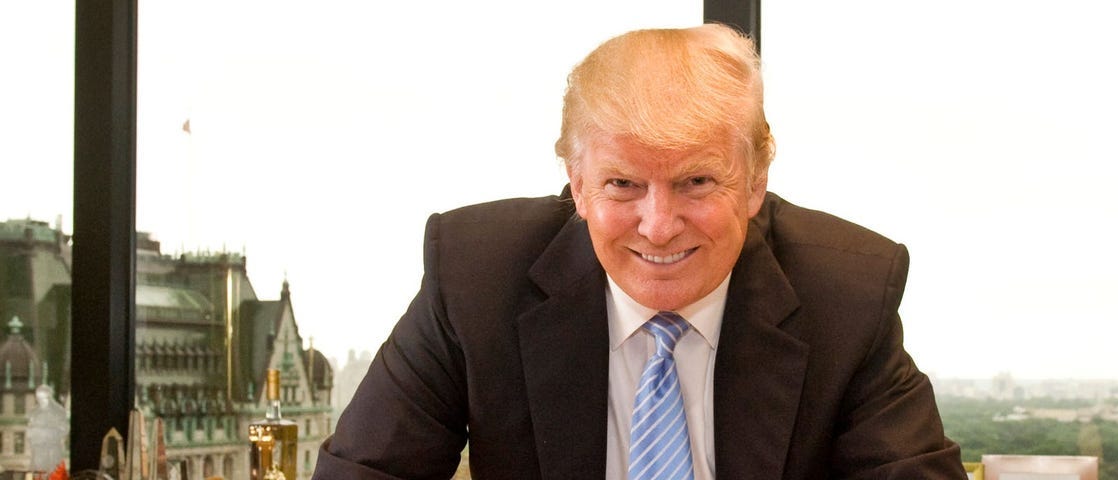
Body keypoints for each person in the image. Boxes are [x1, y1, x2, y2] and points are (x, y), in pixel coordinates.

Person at [315, 24, 964, 479]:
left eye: (697, 182)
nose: (658, 226)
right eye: (624, 184)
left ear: (756, 181)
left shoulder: (846, 295)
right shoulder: (474, 277)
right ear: (577, 182)